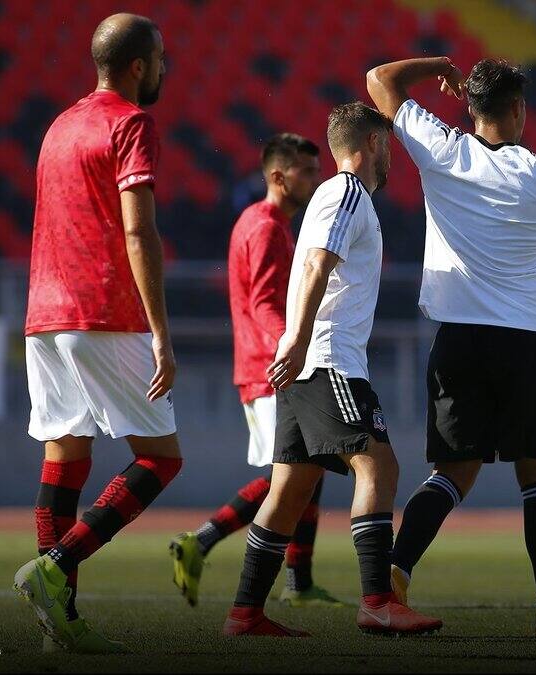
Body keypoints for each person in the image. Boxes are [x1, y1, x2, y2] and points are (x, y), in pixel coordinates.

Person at [367, 56, 536, 636]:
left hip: (457, 339)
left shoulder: (441, 149)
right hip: (525, 341)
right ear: (518, 110)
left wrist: (440, 64)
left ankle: (391, 579)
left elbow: (379, 80)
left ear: (470, 106)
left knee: (452, 472)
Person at [221, 102, 442, 637]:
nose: (392, 157)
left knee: (290, 489)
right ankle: (378, 602)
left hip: (308, 361)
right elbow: (319, 262)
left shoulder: (336, 195)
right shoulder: (347, 192)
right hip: (327, 358)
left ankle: (245, 613)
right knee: (379, 467)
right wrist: (298, 340)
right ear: (372, 143)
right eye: (388, 145)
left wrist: (295, 345)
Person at [12, 13, 183, 654]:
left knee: (66, 459)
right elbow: (139, 230)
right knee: (161, 458)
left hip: (44, 315)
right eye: (159, 58)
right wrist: (161, 332)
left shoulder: (60, 125)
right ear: (138, 66)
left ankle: (59, 623)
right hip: (102, 311)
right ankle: (55, 567)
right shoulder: (131, 123)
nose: (164, 68)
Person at [169, 134, 342, 609]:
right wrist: (293, 344)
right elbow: (262, 303)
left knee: (310, 467)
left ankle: (300, 582)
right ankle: (201, 541)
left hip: (270, 364)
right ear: (278, 176)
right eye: (307, 171)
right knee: (292, 473)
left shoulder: (267, 224)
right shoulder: (265, 228)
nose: (316, 179)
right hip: (270, 368)